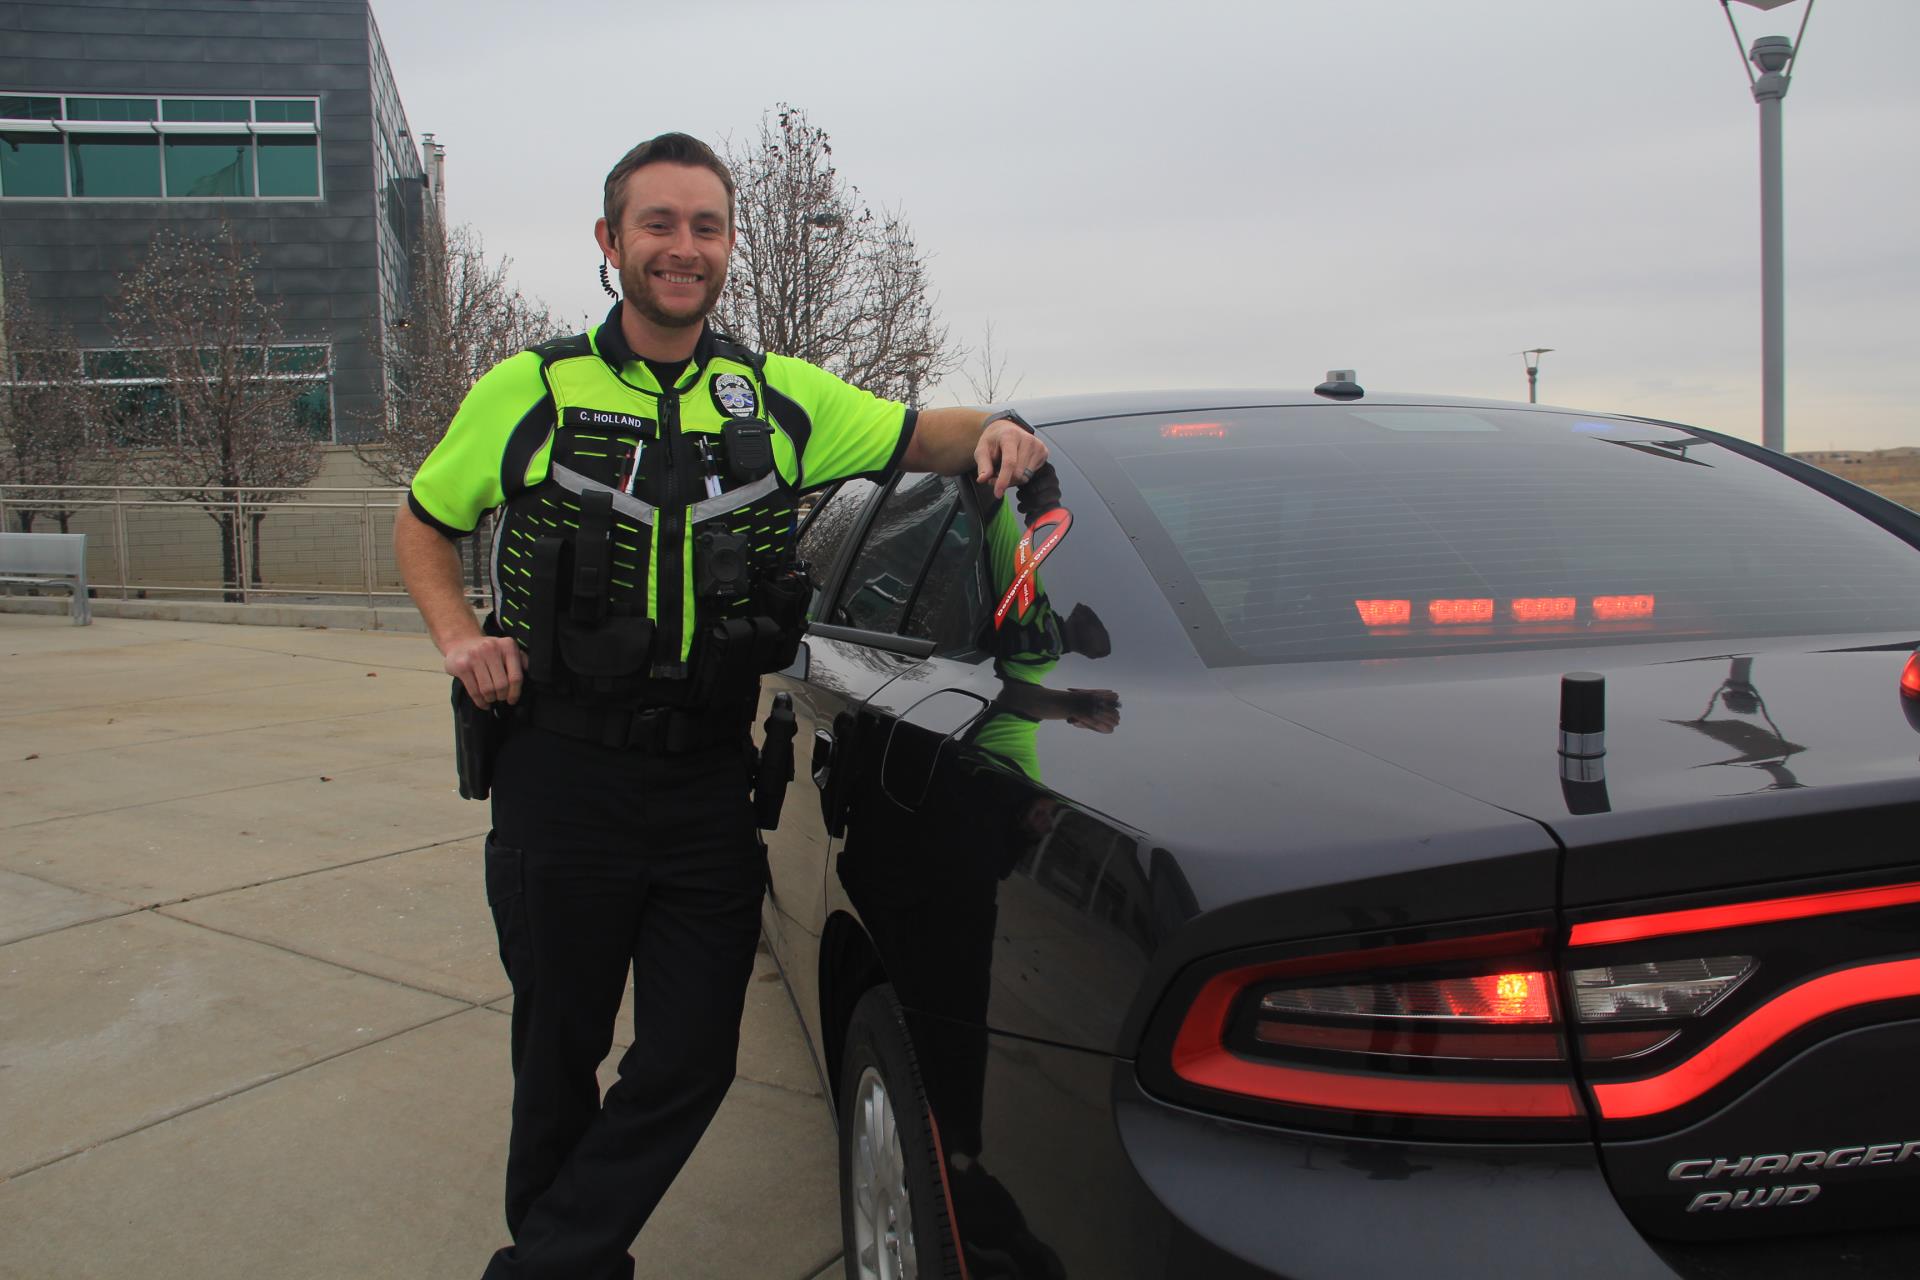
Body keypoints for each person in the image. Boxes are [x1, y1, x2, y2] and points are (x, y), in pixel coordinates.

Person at [392, 131, 1049, 1280]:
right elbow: (426, 517)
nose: (682, 248)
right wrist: (459, 635)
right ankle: (568, 1261)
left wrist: (991, 428)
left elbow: (916, 434)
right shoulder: (533, 389)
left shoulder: (775, 396)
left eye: (704, 226)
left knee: (691, 1056)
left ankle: (541, 1260)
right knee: (560, 1050)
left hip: (704, 780)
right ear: (611, 242)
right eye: (658, 224)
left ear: (729, 245)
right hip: (560, 771)